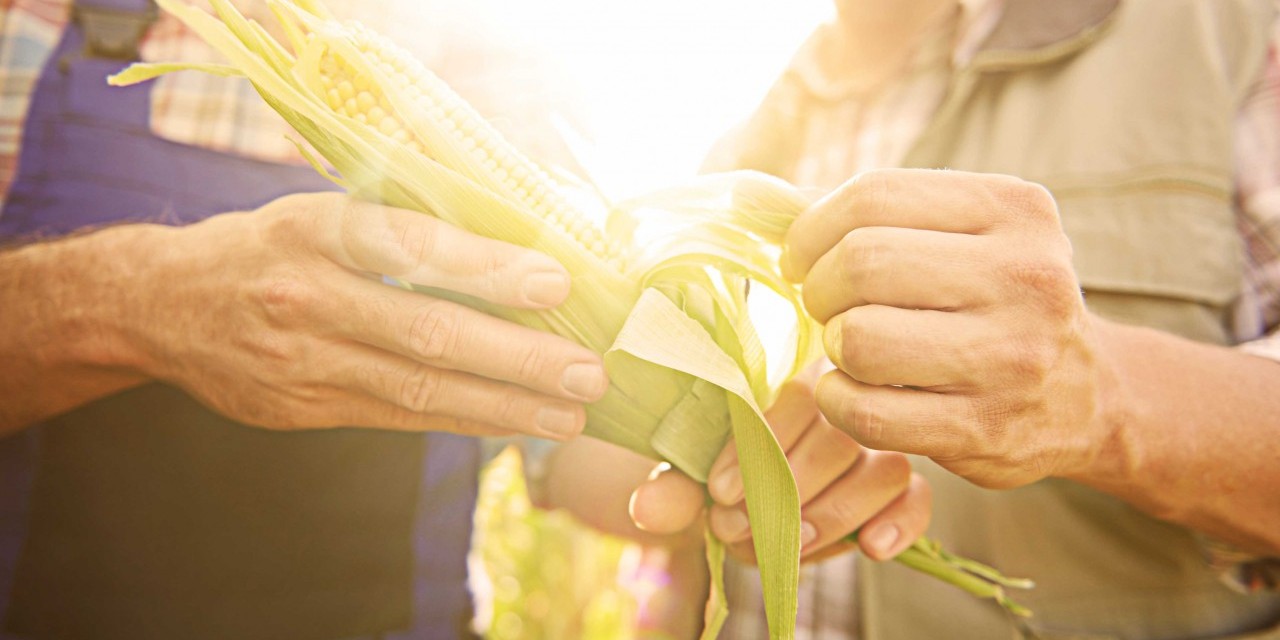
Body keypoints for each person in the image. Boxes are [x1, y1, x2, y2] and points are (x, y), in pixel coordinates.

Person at [621, 0, 1280, 638]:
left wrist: (1103, 396)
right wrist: (727, 477)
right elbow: (634, 494)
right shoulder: (742, 143)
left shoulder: (1226, 32)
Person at [0, 0, 611, 638]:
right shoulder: (32, 20)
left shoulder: (505, 68)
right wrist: (135, 300)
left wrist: (702, 445)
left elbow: (572, 432)